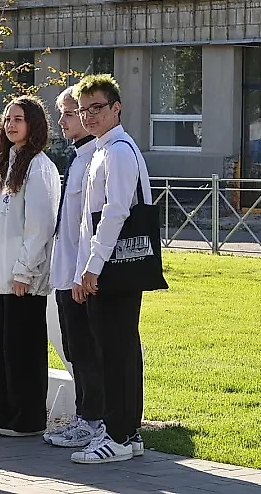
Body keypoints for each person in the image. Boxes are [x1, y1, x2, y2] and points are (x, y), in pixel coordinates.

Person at [0, 95, 60, 438]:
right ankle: (1, 416)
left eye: (18, 119)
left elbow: (39, 226)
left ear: (33, 125)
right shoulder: (2, 165)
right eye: (8, 120)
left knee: (24, 351)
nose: (11, 125)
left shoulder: (39, 166)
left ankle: (28, 420)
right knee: (0, 351)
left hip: (22, 281)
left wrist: (23, 272)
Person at [70, 74, 149, 464]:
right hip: (107, 266)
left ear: (116, 108)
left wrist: (92, 267)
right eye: (83, 110)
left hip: (113, 267)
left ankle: (118, 433)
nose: (88, 116)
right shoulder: (104, 149)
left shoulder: (117, 150)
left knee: (115, 350)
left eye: (96, 108)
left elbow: (116, 211)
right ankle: (127, 432)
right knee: (118, 348)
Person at [42, 87, 103, 449]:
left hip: (79, 274)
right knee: (74, 346)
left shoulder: (96, 156)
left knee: (85, 348)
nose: (63, 121)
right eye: (63, 113)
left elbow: (91, 224)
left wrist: (82, 273)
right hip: (66, 271)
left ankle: (93, 418)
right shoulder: (78, 157)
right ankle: (86, 415)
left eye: (69, 113)